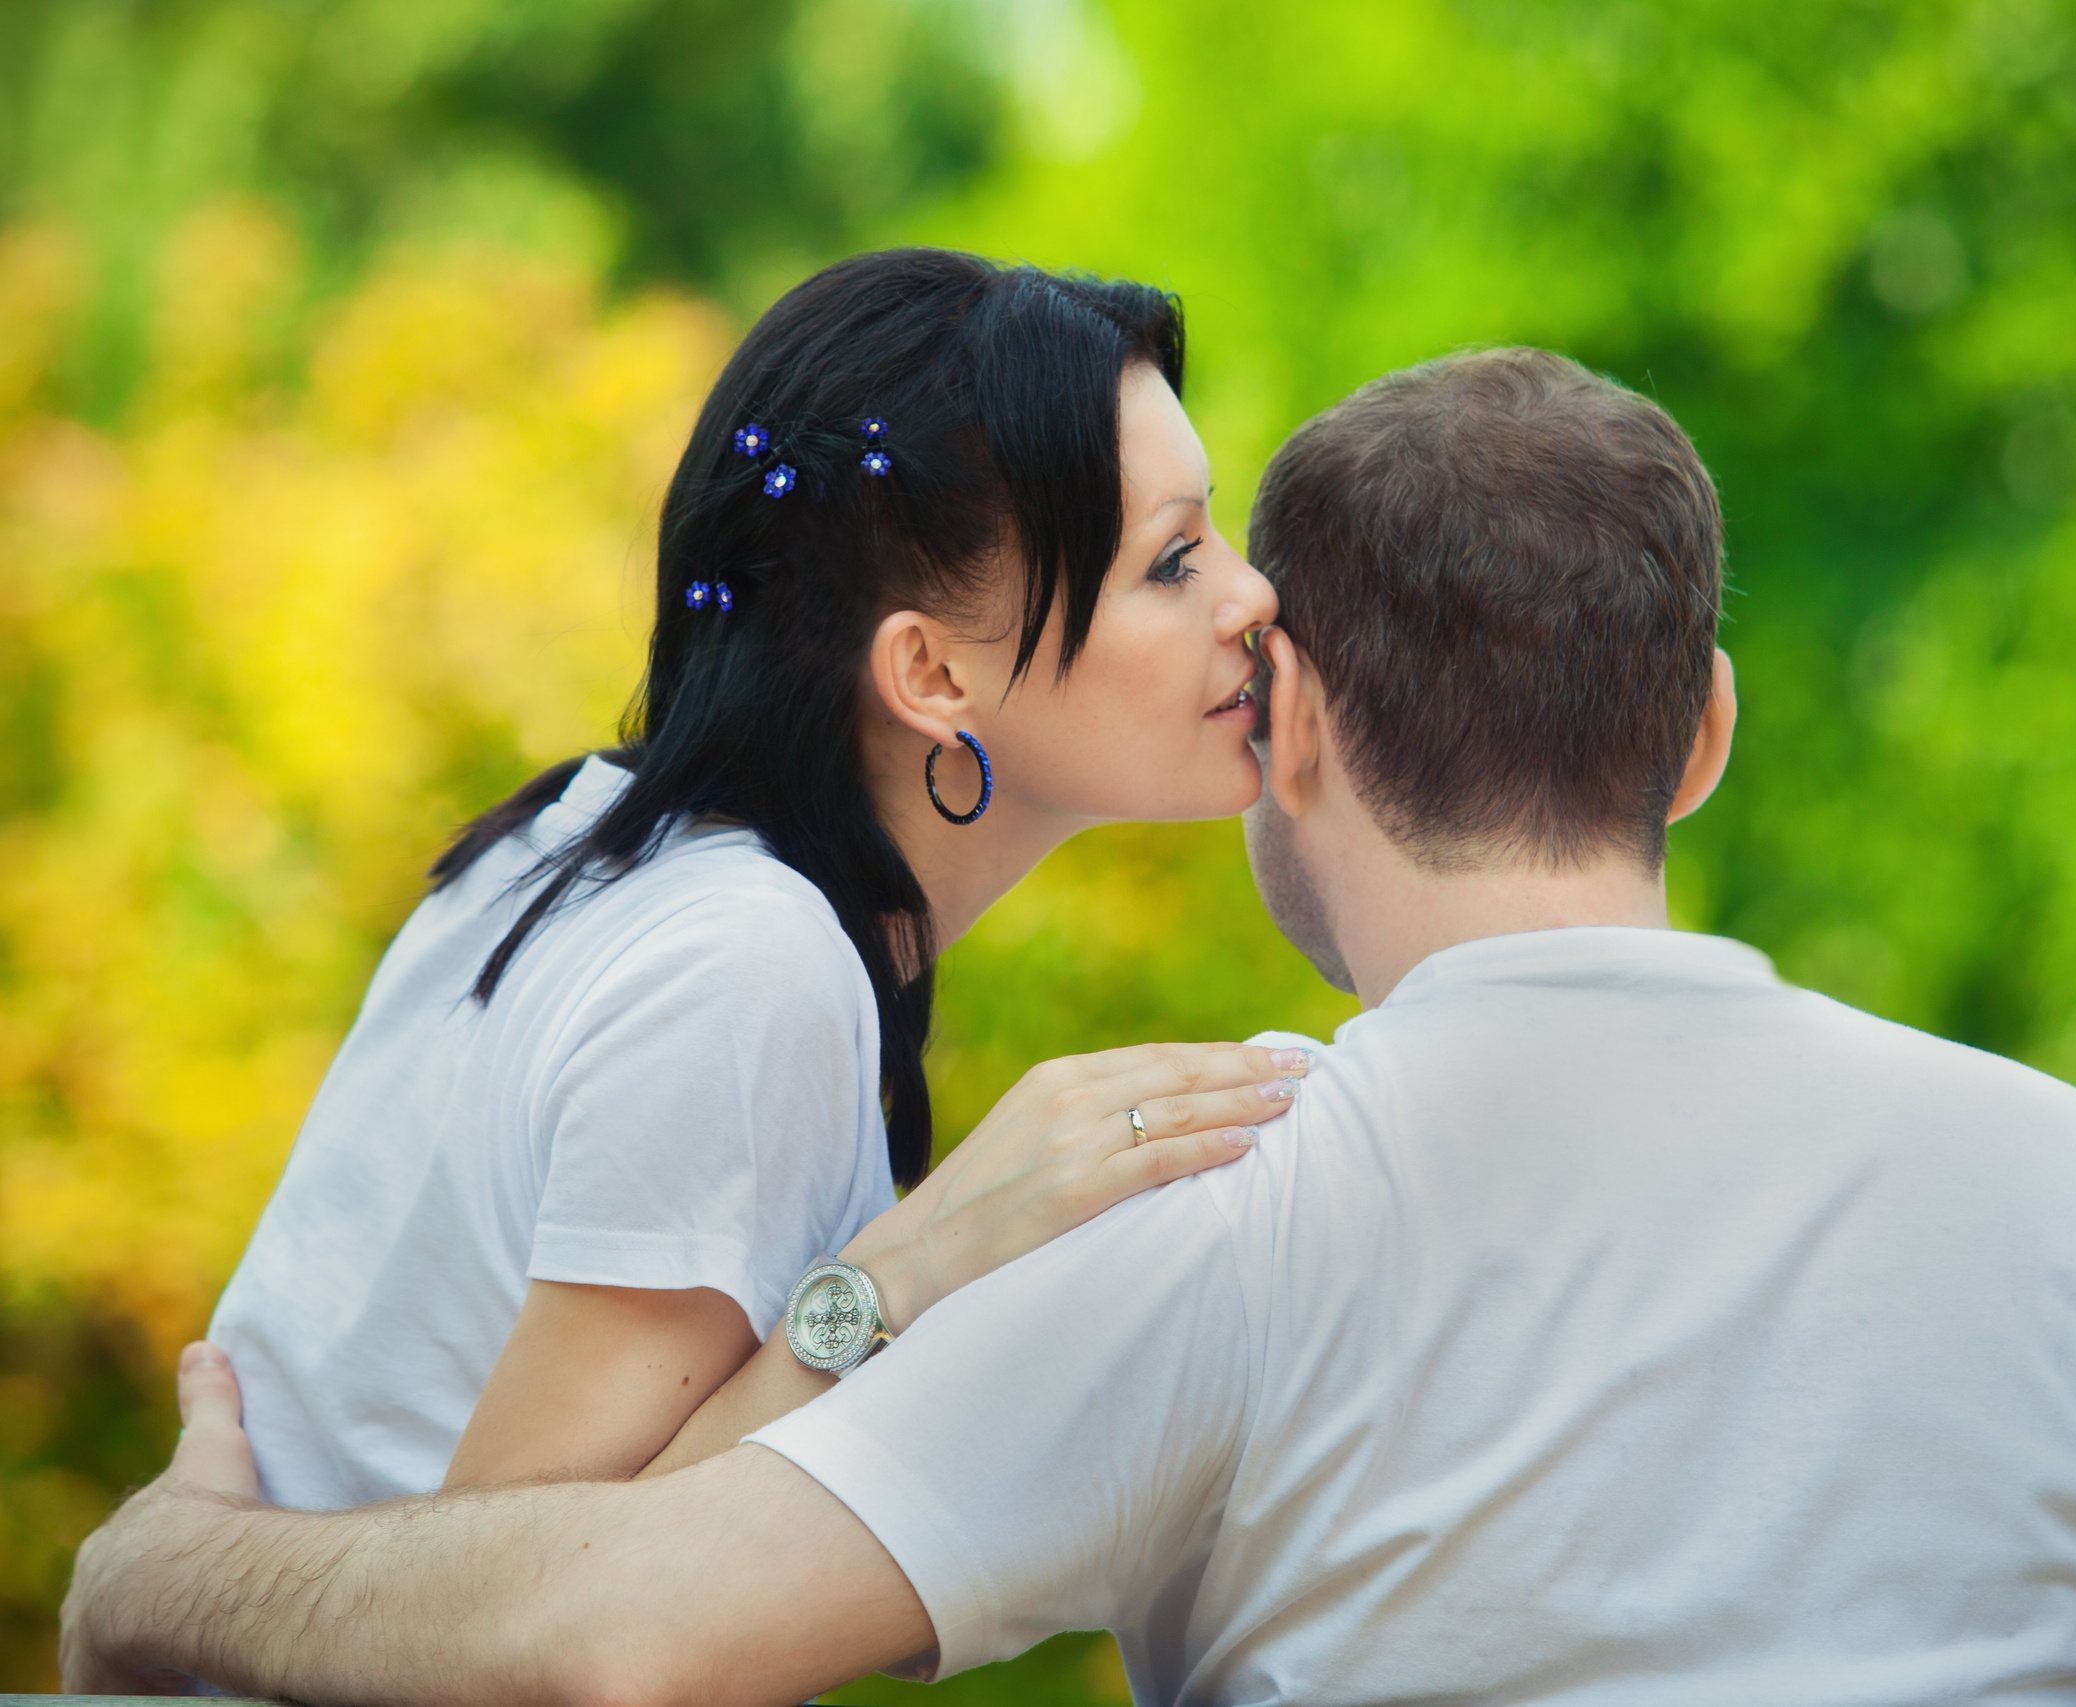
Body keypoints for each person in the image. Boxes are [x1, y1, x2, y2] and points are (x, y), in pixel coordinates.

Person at [64, 349, 2076, 1706]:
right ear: (1697, 735)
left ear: (1289, 716)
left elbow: (614, 1638)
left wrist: (174, 1563)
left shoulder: (1216, 1195)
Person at [201, 245, 1307, 1512]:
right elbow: (510, 1605)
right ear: (933, 677)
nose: (1252, 596)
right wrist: (920, 1264)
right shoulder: (742, 965)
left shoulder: (577, 838)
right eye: (1173, 562)